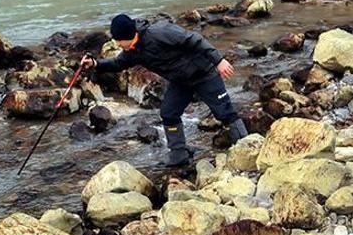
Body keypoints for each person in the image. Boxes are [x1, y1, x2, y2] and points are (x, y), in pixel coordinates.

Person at [81, 14, 248, 167]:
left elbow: (195, 39)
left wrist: (219, 60)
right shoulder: (132, 51)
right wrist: (96, 64)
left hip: (204, 73)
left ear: (128, 35)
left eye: (118, 40)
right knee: (169, 113)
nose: (117, 43)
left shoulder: (160, 32)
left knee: (225, 113)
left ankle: (248, 149)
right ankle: (178, 154)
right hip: (180, 82)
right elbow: (118, 64)